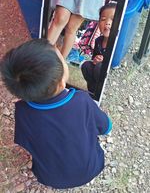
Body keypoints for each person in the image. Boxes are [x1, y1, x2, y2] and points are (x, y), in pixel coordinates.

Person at [0, 38, 112, 189]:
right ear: (61, 82)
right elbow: (106, 127)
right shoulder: (82, 100)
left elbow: (24, 142)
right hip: (91, 168)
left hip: (48, 177)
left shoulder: (22, 110)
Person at [81, 2, 116, 93]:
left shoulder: (117, 43)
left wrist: (103, 62)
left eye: (113, 19)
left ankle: (100, 92)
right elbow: (94, 59)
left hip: (106, 75)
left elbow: (114, 63)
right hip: (97, 74)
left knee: (100, 67)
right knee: (86, 66)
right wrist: (96, 59)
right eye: (103, 19)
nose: (107, 23)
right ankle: (92, 91)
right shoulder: (98, 41)